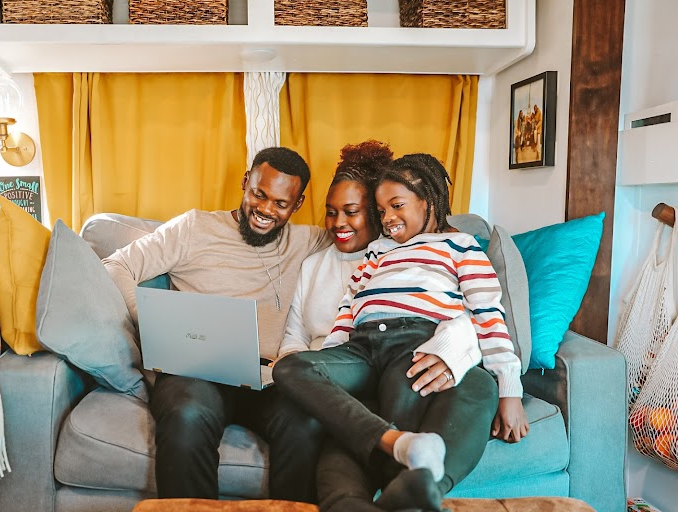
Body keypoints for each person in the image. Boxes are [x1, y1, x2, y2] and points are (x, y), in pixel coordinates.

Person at [274, 153, 528, 512]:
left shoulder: (462, 247)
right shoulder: (377, 253)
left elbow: (487, 314)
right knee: (290, 368)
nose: (388, 218)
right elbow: (349, 306)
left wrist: (509, 390)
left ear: (428, 201)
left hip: (414, 344)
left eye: (397, 205)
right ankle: (393, 445)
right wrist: (331, 357)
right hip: (361, 348)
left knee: (415, 399)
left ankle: (410, 488)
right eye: (381, 211)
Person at [103, 147, 331, 502]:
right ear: (245, 182)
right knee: (187, 417)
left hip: (268, 378)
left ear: (298, 204)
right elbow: (116, 266)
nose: (266, 210)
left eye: (281, 204)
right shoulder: (195, 227)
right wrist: (149, 319)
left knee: (307, 424)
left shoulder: (308, 240)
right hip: (197, 370)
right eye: (259, 194)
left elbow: (363, 234)